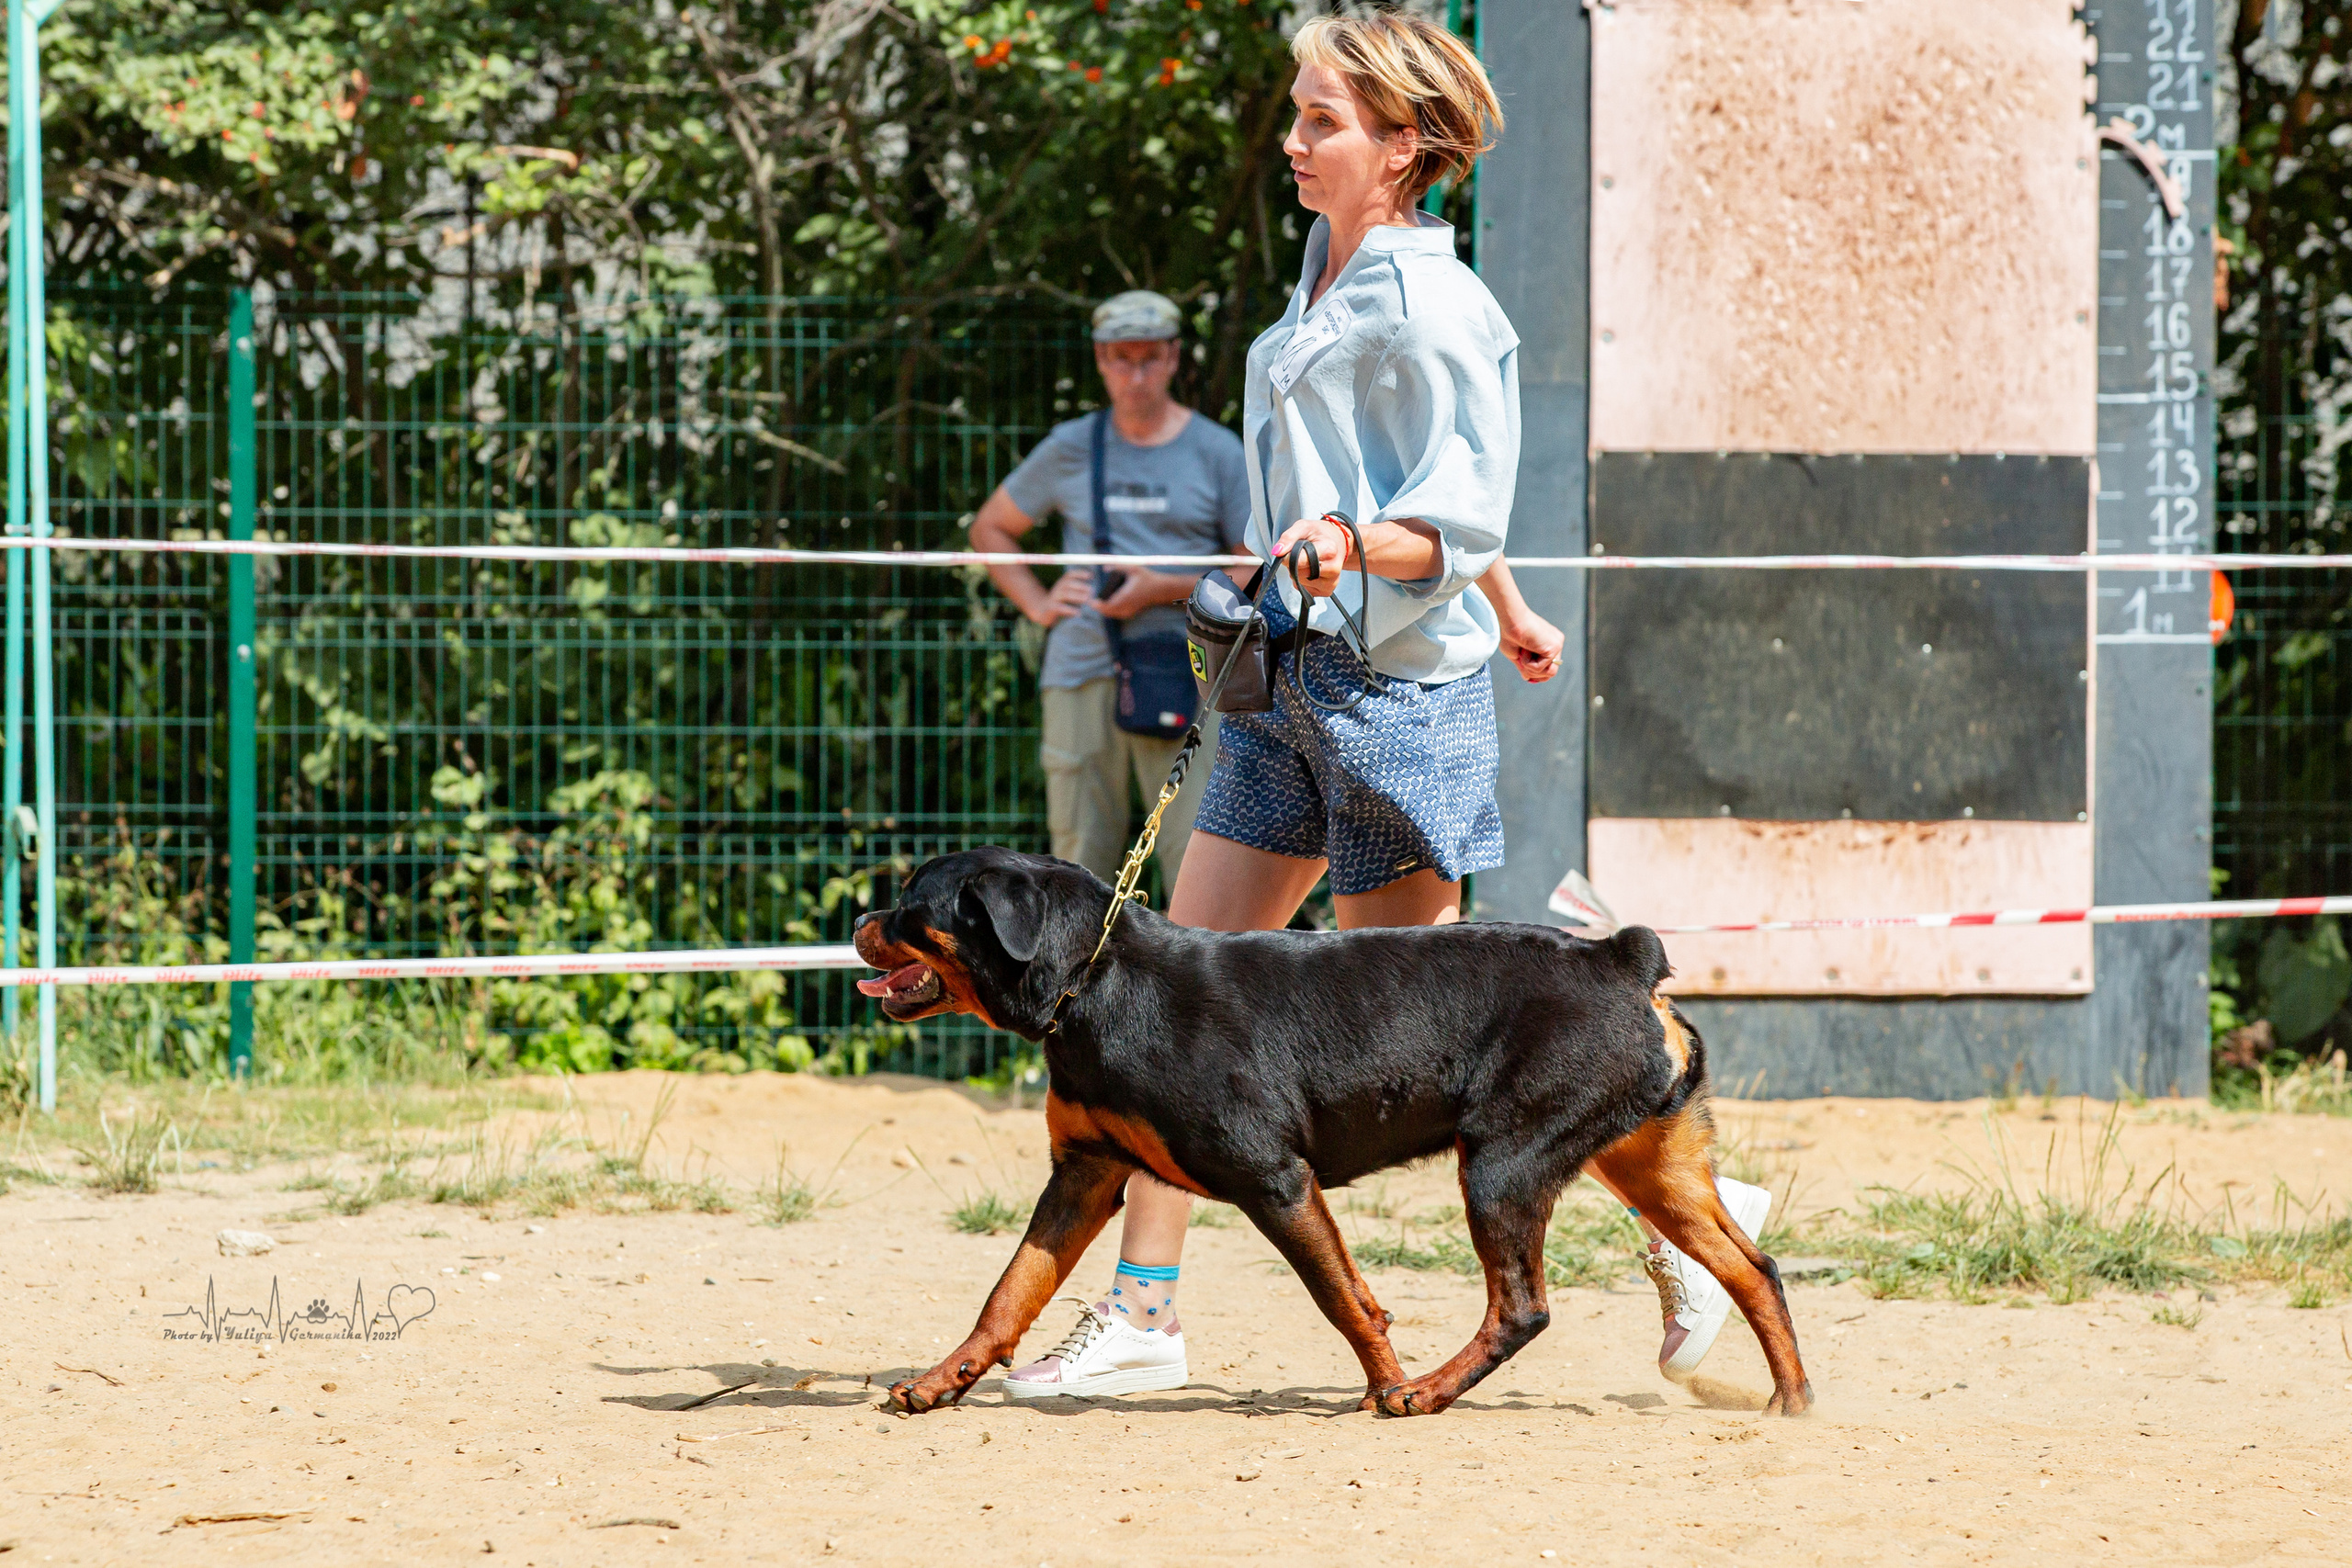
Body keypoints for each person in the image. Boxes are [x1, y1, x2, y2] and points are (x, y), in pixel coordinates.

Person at [1003, 12, 1770, 1404]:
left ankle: (1696, 1235)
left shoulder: (1434, 304)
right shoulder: (1326, 271)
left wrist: (1371, 551)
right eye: (1297, 115)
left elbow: (1457, 504)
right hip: (1290, 679)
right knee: (1167, 1001)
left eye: (1323, 122)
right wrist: (1512, 603)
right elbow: (1416, 479)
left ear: (1405, 145)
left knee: (1441, 1045)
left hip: (1395, 702)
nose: (1293, 141)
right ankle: (1144, 1314)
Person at [970, 290, 1250, 890]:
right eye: (1121, 358)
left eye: (1150, 357)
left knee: (1197, 854)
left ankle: (1196, 987)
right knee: (1075, 863)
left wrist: (1162, 588)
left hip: (1190, 669)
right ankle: (1076, 985)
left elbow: (1255, 565)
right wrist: (1039, 602)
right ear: (1100, 359)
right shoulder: (1072, 445)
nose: (1136, 373)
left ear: (1175, 357)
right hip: (1082, 667)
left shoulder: (1218, 450)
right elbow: (990, 528)